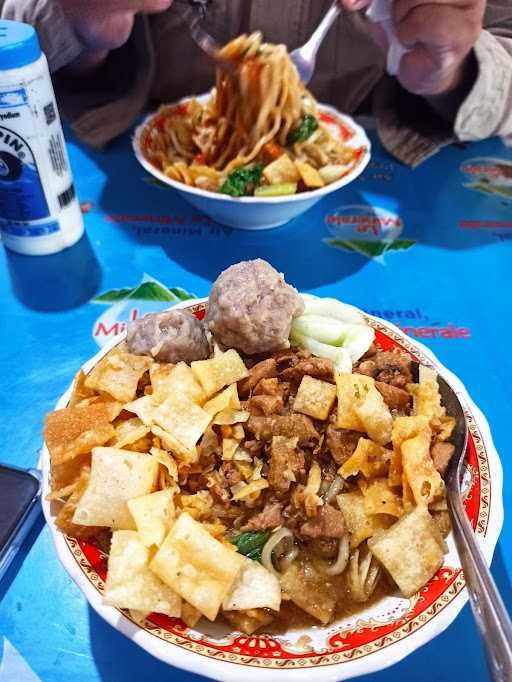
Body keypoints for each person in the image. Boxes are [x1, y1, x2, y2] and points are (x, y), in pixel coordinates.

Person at [2, 0, 511, 166]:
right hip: (138, 169)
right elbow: (14, 23)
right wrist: (77, 24)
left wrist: (451, 67)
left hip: (385, 181)